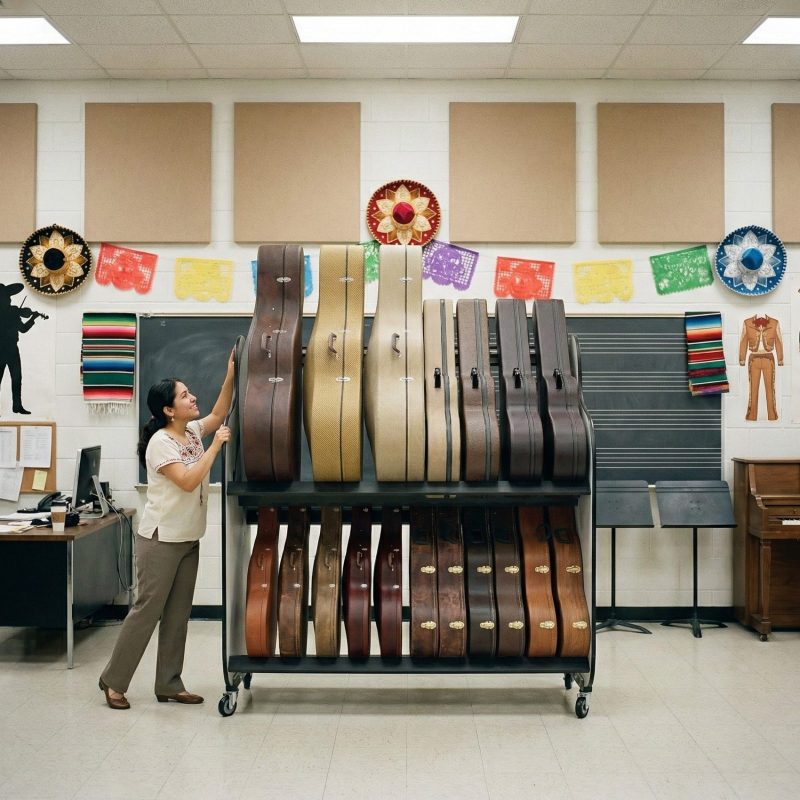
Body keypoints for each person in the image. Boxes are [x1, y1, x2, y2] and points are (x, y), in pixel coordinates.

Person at [99, 352, 234, 709]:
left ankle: (169, 684)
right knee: (147, 611)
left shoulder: (190, 430)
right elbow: (188, 481)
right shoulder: (162, 442)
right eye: (185, 396)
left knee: (177, 615)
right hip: (161, 540)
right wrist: (217, 445)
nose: (193, 398)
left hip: (189, 536)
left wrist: (231, 374)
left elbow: (219, 413)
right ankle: (113, 681)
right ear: (169, 410)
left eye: (191, 393)